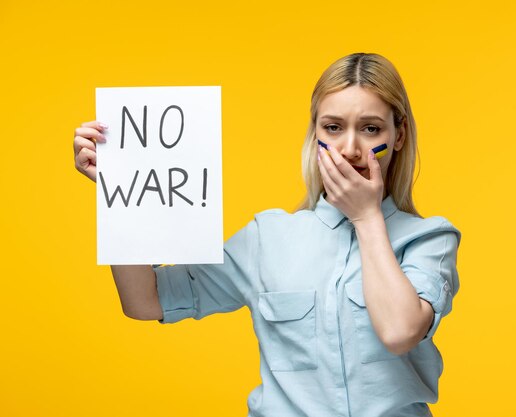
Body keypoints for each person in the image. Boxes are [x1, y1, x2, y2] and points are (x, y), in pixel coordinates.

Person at [73, 52, 461, 417]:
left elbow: (399, 332)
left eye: (371, 128)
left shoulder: (429, 239)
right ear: (315, 134)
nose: (349, 149)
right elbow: (147, 301)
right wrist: (119, 197)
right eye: (333, 127)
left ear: (399, 135)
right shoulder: (267, 237)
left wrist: (367, 218)